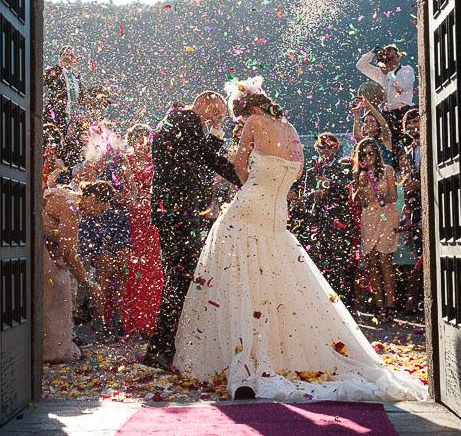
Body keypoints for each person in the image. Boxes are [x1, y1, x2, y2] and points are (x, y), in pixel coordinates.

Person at [174, 78, 426, 403]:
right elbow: (298, 169)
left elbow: (238, 164)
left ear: (248, 108)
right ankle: (281, 353)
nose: (240, 122)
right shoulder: (291, 129)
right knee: (278, 280)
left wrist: (248, 180)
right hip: (277, 215)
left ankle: (240, 353)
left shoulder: (253, 122)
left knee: (235, 276)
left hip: (250, 207)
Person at [141, 91, 242, 370]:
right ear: (205, 102)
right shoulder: (186, 119)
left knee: (180, 277)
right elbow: (204, 157)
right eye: (218, 113)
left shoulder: (178, 121)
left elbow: (196, 158)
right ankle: (161, 348)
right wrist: (242, 176)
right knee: (180, 277)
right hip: (177, 211)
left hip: (174, 210)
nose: (217, 119)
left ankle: (164, 346)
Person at [41, 179, 102, 362]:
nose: (99, 214)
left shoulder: (69, 200)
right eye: (101, 208)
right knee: (57, 292)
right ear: (91, 198)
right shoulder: (71, 208)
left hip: (45, 249)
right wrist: (89, 284)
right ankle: (52, 350)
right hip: (42, 254)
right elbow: (69, 252)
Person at [298, 132, 354, 308]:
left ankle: (344, 302)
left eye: (330, 147)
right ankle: (322, 300)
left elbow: (347, 191)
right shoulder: (311, 171)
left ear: (336, 148)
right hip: (318, 222)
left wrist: (329, 184)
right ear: (317, 148)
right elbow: (304, 197)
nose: (326, 150)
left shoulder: (343, 168)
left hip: (338, 222)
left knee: (341, 262)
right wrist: (314, 194)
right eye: (322, 147)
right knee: (319, 260)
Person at [120, 123, 164, 338]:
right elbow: (127, 193)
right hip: (133, 218)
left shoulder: (155, 161)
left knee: (152, 266)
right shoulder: (125, 161)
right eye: (137, 139)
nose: (141, 143)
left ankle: (152, 318)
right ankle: (132, 320)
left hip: (151, 216)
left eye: (144, 138)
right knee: (133, 265)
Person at [350, 137, 400, 322]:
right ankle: (379, 306)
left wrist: (381, 196)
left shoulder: (387, 170)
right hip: (369, 218)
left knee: (385, 261)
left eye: (371, 153)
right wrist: (362, 185)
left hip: (386, 216)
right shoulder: (359, 174)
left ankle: (391, 305)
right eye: (364, 154)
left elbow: (394, 197)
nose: (368, 156)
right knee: (372, 263)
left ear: (377, 153)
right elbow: (357, 201)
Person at [75, 180, 131, 341]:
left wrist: (118, 254)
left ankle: (111, 322)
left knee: (116, 271)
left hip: (110, 246)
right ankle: (106, 324)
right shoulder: (92, 215)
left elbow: (122, 240)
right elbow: (92, 243)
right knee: (107, 274)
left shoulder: (118, 213)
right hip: (101, 249)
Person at [356, 44, 415, 152]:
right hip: (387, 115)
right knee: (391, 147)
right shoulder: (381, 73)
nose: (390, 60)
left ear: (398, 56)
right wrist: (373, 52)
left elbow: (403, 86)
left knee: (407, 144)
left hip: (404, 112)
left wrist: (389, 74)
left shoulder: (407, 70)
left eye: (392, 57)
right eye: (387, 58)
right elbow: (360, 66)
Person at [395, 108, 423, 314]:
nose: (413, 127)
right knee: (418, 254)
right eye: (409, 124)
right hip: (414, 209)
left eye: (416, 122)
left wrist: (420, 184)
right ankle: (415, 300)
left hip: (434, 206)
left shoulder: (434, 144)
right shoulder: (409, 151)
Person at [45, 45, 82, 136]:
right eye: (66, 55)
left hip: (73, 116)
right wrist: (59, 66)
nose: (68, 58)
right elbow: (40, 79)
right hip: (58, 114)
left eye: (71, 56)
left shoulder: (76, 76)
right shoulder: (56, 72)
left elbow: (82, 95)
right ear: (60, 57)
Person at [352, 94, 395, 168]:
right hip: (370, 176)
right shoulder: (364, 141)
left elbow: (384, 124)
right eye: (366, 121)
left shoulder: (385, 138)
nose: (368, 123)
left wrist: (369, 106)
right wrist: (356, 115)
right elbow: (357, 135)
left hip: (385, 175)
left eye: (372, 121)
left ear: (377, 125)